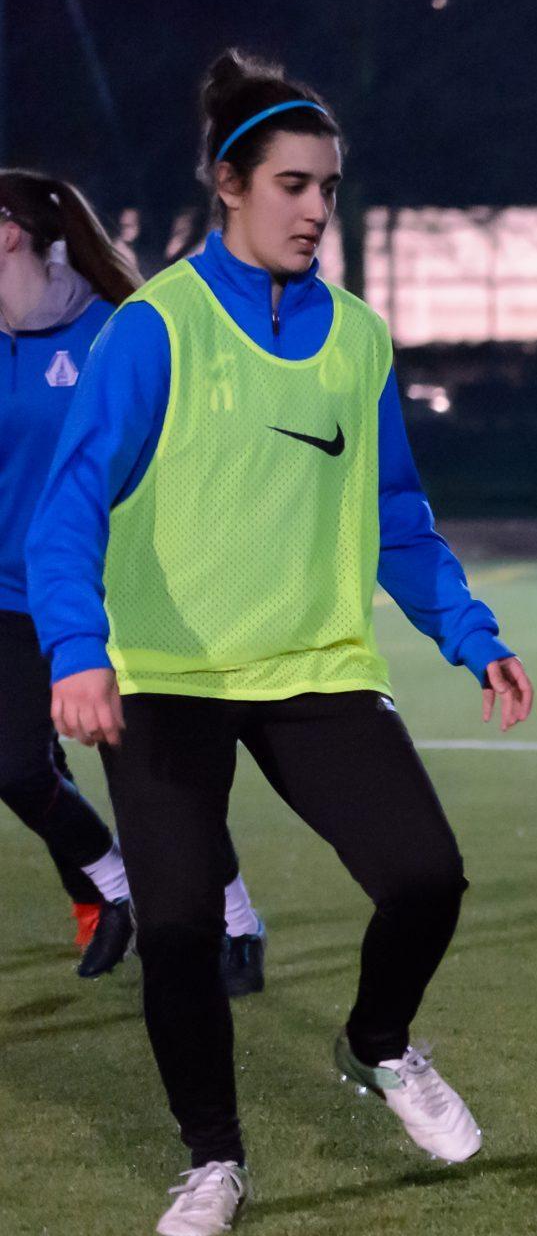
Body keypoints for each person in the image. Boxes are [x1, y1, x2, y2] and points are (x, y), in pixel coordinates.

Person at [27, 50, 535, 1236]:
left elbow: (394, 515)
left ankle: (379, 1043)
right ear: (230, 184)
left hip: (314, 670)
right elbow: (69, 503)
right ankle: (213, 1162)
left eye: (329, 187)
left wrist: (470, 631)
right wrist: (75, 648)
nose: (316, 209)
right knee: (186, 934)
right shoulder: (155, 329)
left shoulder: (359, 339)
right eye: (294, 184)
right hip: (163, 681)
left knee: (426, 876)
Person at [0, 168, 268, 992]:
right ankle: (113, 887)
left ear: (10, 229)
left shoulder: (118, 331)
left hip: (119, 591)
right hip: (15, 593)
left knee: (159, 779)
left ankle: (238, 919)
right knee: (13, 765)